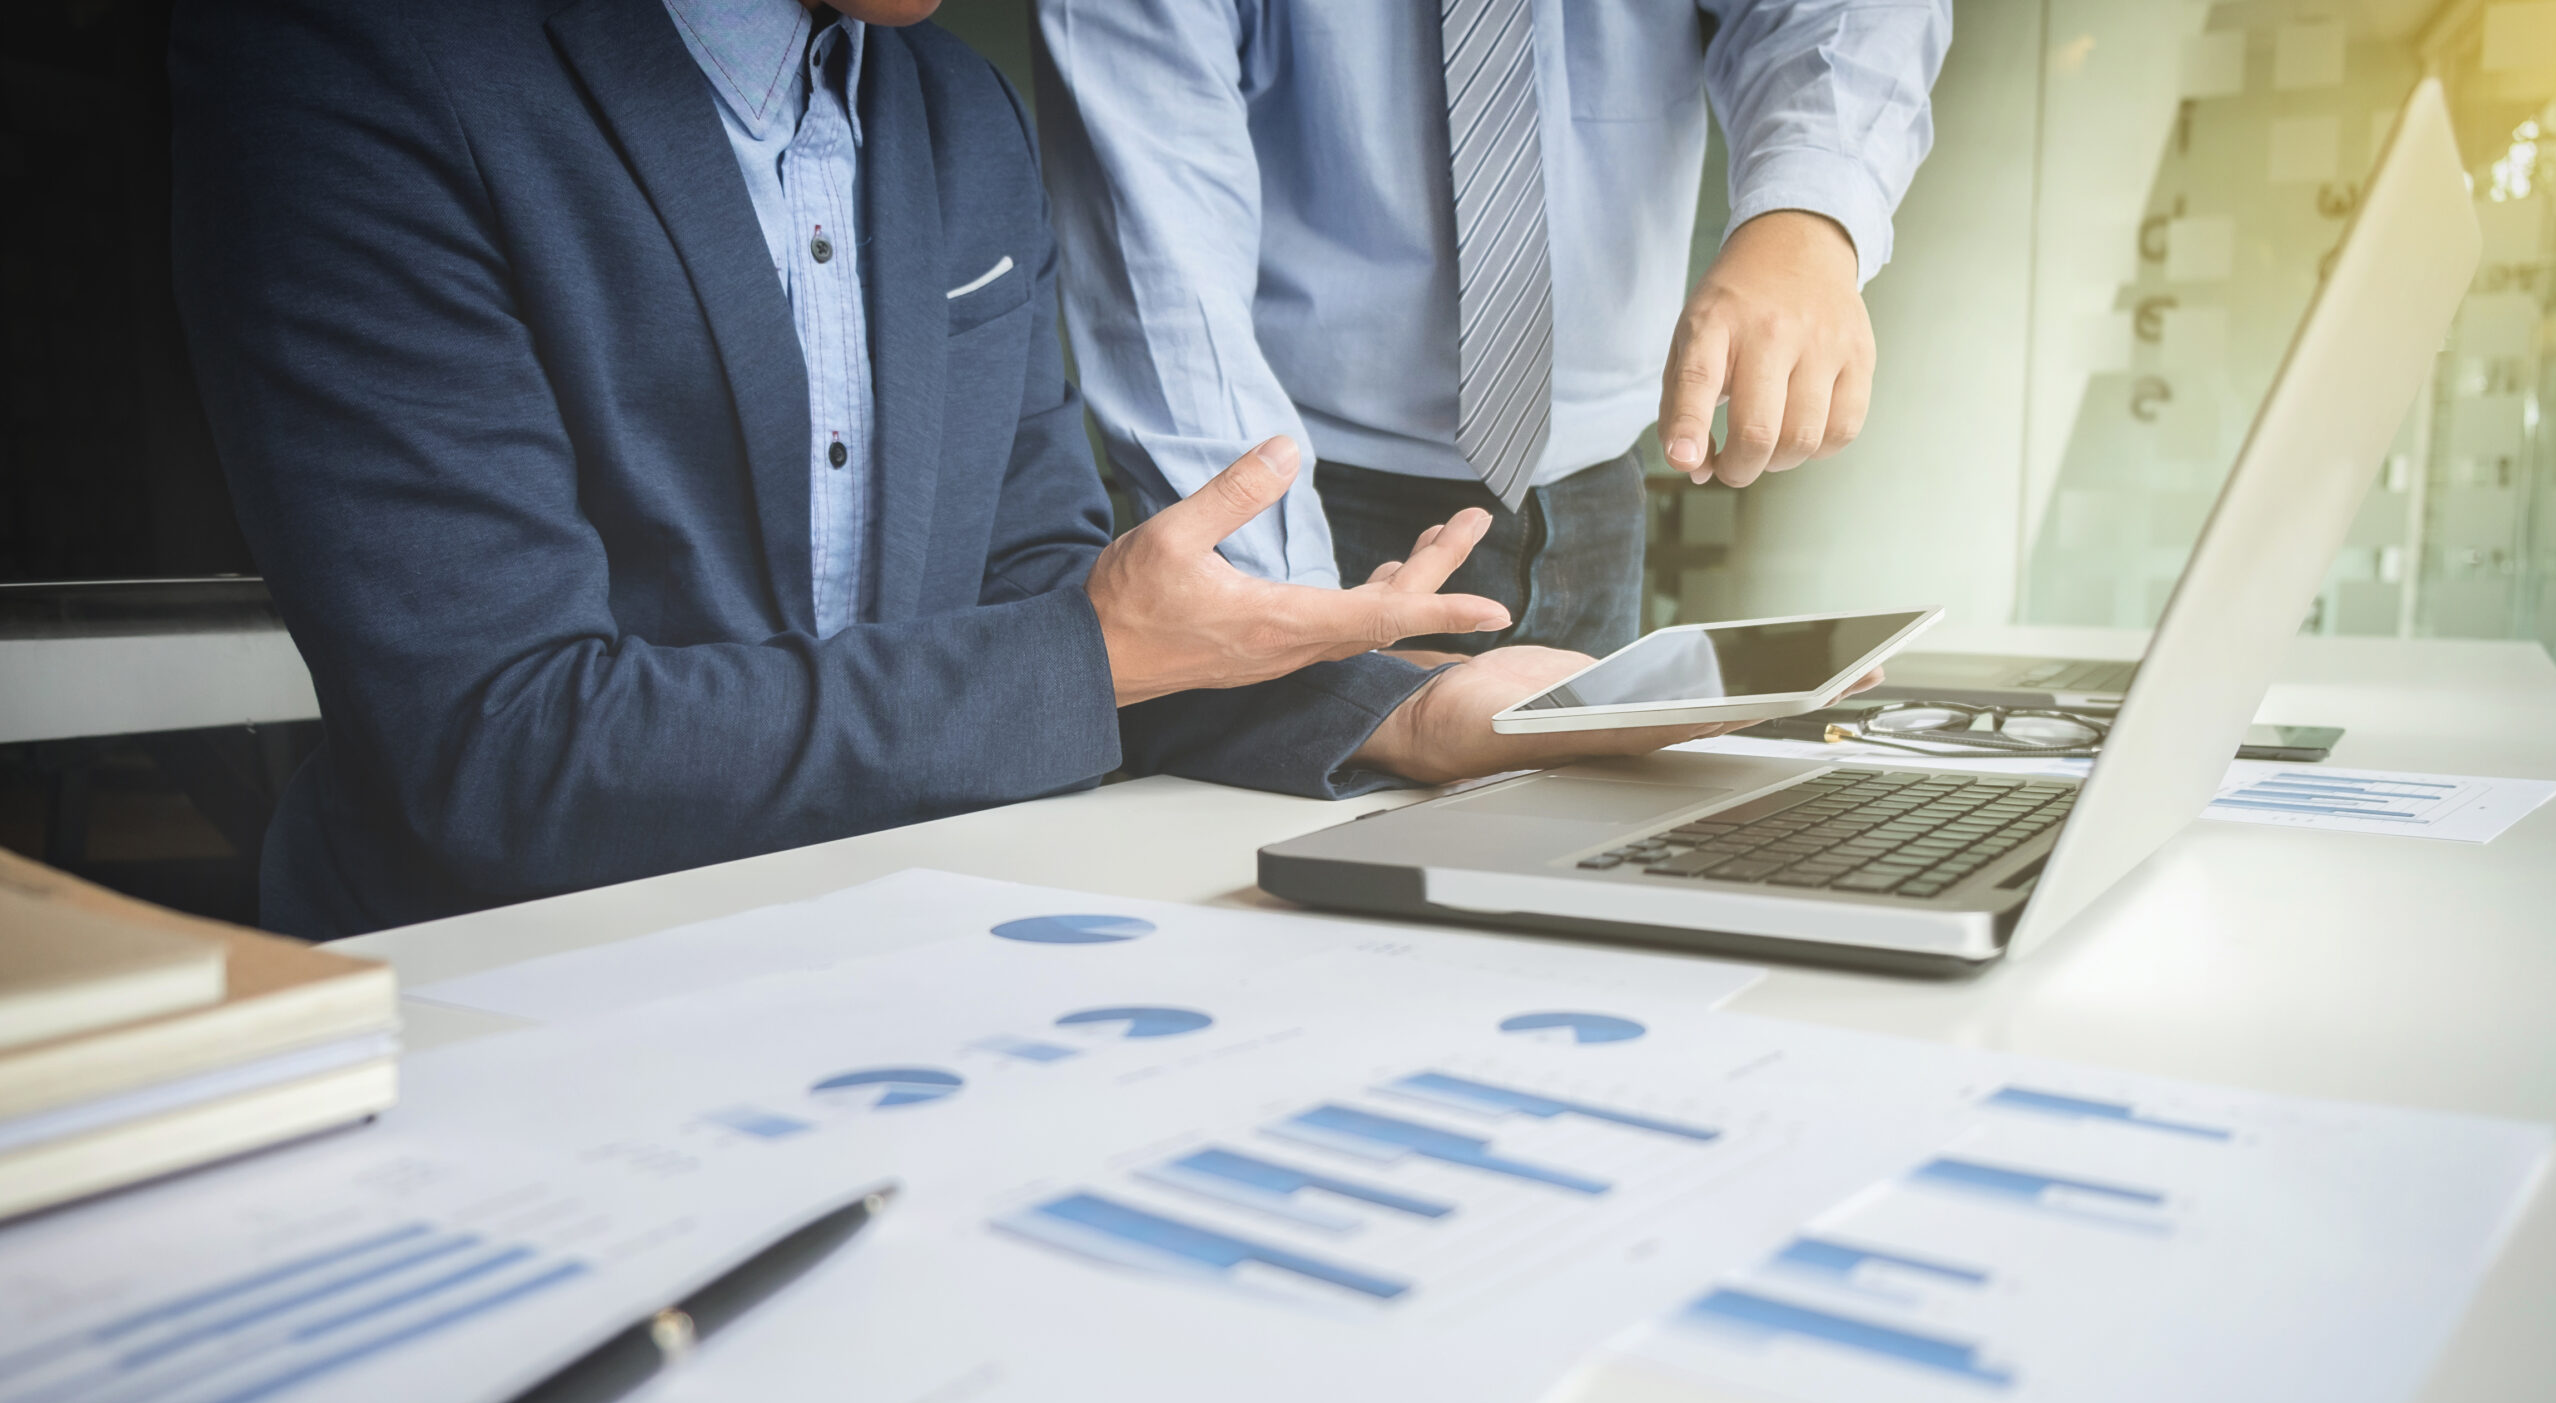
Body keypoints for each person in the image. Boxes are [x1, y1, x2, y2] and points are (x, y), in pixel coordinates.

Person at [169, 0, 1796, 941]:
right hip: (497, 989)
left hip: (899, 937)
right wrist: (1091, 650)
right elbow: (508, 753)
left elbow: (1042, 605)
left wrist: (1399, 714)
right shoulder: (350, 66)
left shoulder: (954, 110)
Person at [1033, 0, 1950, 659]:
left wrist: (1807, 218)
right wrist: (1298, 624)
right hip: (1302, 511)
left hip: (1596, 497)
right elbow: (1160, 256)